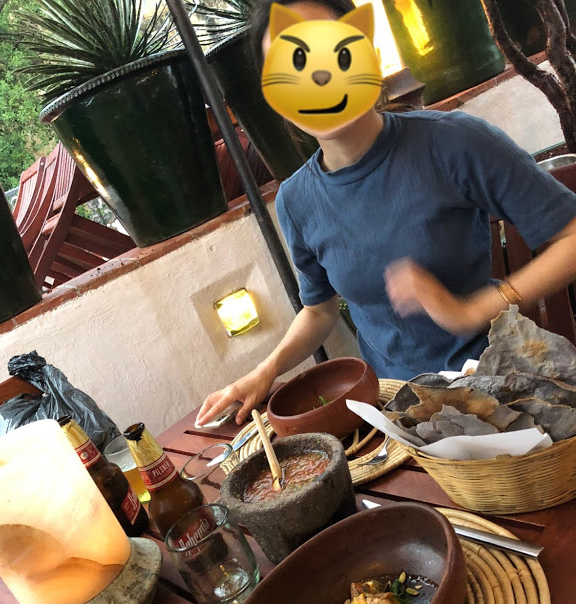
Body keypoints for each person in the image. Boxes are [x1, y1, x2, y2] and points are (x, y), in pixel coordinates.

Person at [196, 0, 576, 428]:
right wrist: (263, 372)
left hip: (496, 393)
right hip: (395, 413)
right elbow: (319, 311)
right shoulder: (295, 200)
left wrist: (473, 310)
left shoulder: (454, 142)